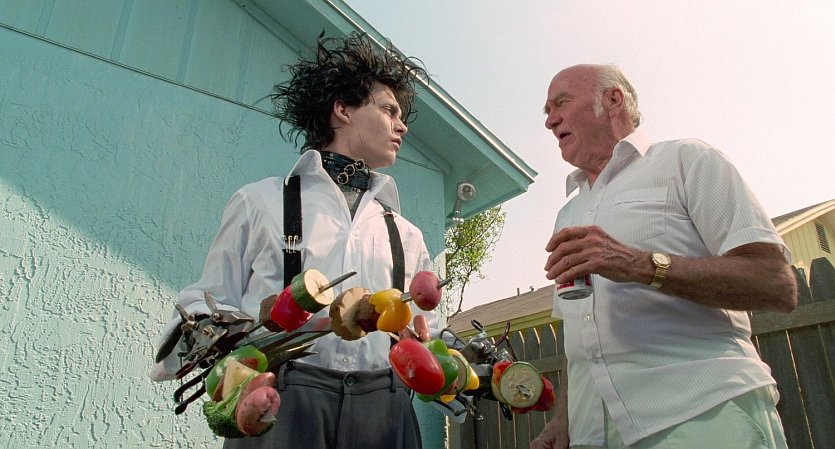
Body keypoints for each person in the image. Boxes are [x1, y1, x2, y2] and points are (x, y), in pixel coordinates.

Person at [150, 33, 437, 449]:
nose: (402, 124)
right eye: (388, 109)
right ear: (342, 109)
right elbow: (208, 299)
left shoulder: (406, 234)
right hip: (280, 405)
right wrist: (212, 339)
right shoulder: (259, 202)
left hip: (386, 412)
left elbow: (432, 334)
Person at [532, 64, 798, 449]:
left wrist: (639, 265)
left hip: (702, 415)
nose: (550, 120)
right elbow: (582, 338)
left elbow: (776, 284)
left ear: (613, 100)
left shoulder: (687, 160)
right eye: (547, 111)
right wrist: (563, 420)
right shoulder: (567, 214)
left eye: (561, 103)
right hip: (594, 436)